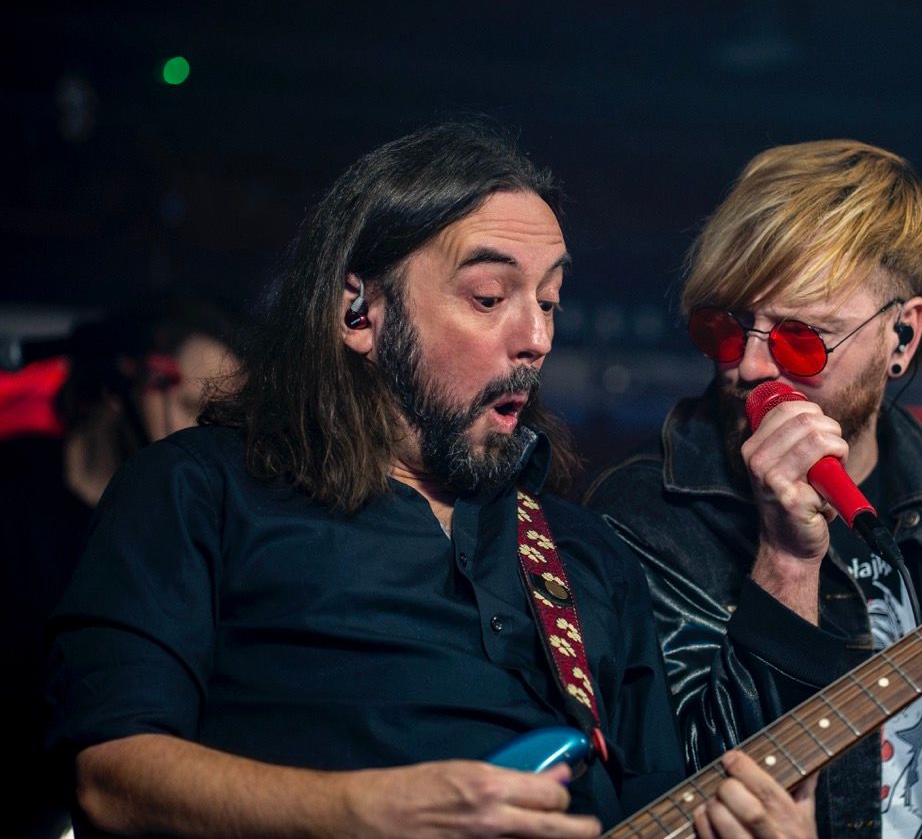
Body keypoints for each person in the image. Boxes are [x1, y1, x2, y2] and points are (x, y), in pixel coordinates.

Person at [45, 123, 817, 838]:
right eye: (490, 297)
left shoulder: (585, 553)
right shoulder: (197, 488)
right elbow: (109, 777)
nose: (538, 337)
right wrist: (366, 809)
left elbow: (657, 804)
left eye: (549, 300)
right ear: (359, 313)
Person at [583, 140, 922, 838]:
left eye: (801, 340)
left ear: (901, 336)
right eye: (728, 329)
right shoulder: (641, 512)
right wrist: (786, 558)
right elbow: (684, 808)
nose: (752, 367)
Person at [1, 298, 238, 839]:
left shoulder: (202, 532)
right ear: (121, 387)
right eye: (192, 405)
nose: (210, 434)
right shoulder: (17, 492)